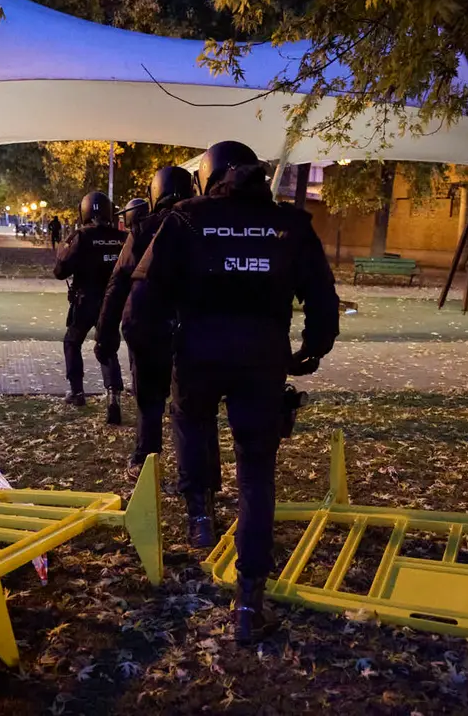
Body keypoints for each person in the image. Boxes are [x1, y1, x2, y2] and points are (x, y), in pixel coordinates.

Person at [128, 140, 340, 643]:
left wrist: (157, 355)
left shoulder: (184, 219)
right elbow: (323, 300)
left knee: (190, 425)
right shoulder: (290, 225)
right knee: (256, 476)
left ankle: (199, 517)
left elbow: (140, 304)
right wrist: (311, 351)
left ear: (207, 177)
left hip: (196, 357)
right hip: (262, 363)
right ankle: (249, 604)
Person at [96, 168, 222, 489]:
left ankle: (145, 462)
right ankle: (205, 477)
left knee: (150, 401)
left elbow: (118, 283)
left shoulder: (143, 230)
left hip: (148, 327)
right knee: (196, 406)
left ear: (155, 194)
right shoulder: (203, 226)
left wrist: (105, 333)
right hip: (194, 328)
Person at [54, 191, 125, 422]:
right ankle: (113, 394)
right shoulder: (121, 237)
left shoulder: (81, 237)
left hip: (86, 301)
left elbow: (60, 271)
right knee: (107, 346)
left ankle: (77, 392)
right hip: (113, 302)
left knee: (72, 341)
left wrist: (63, 251)